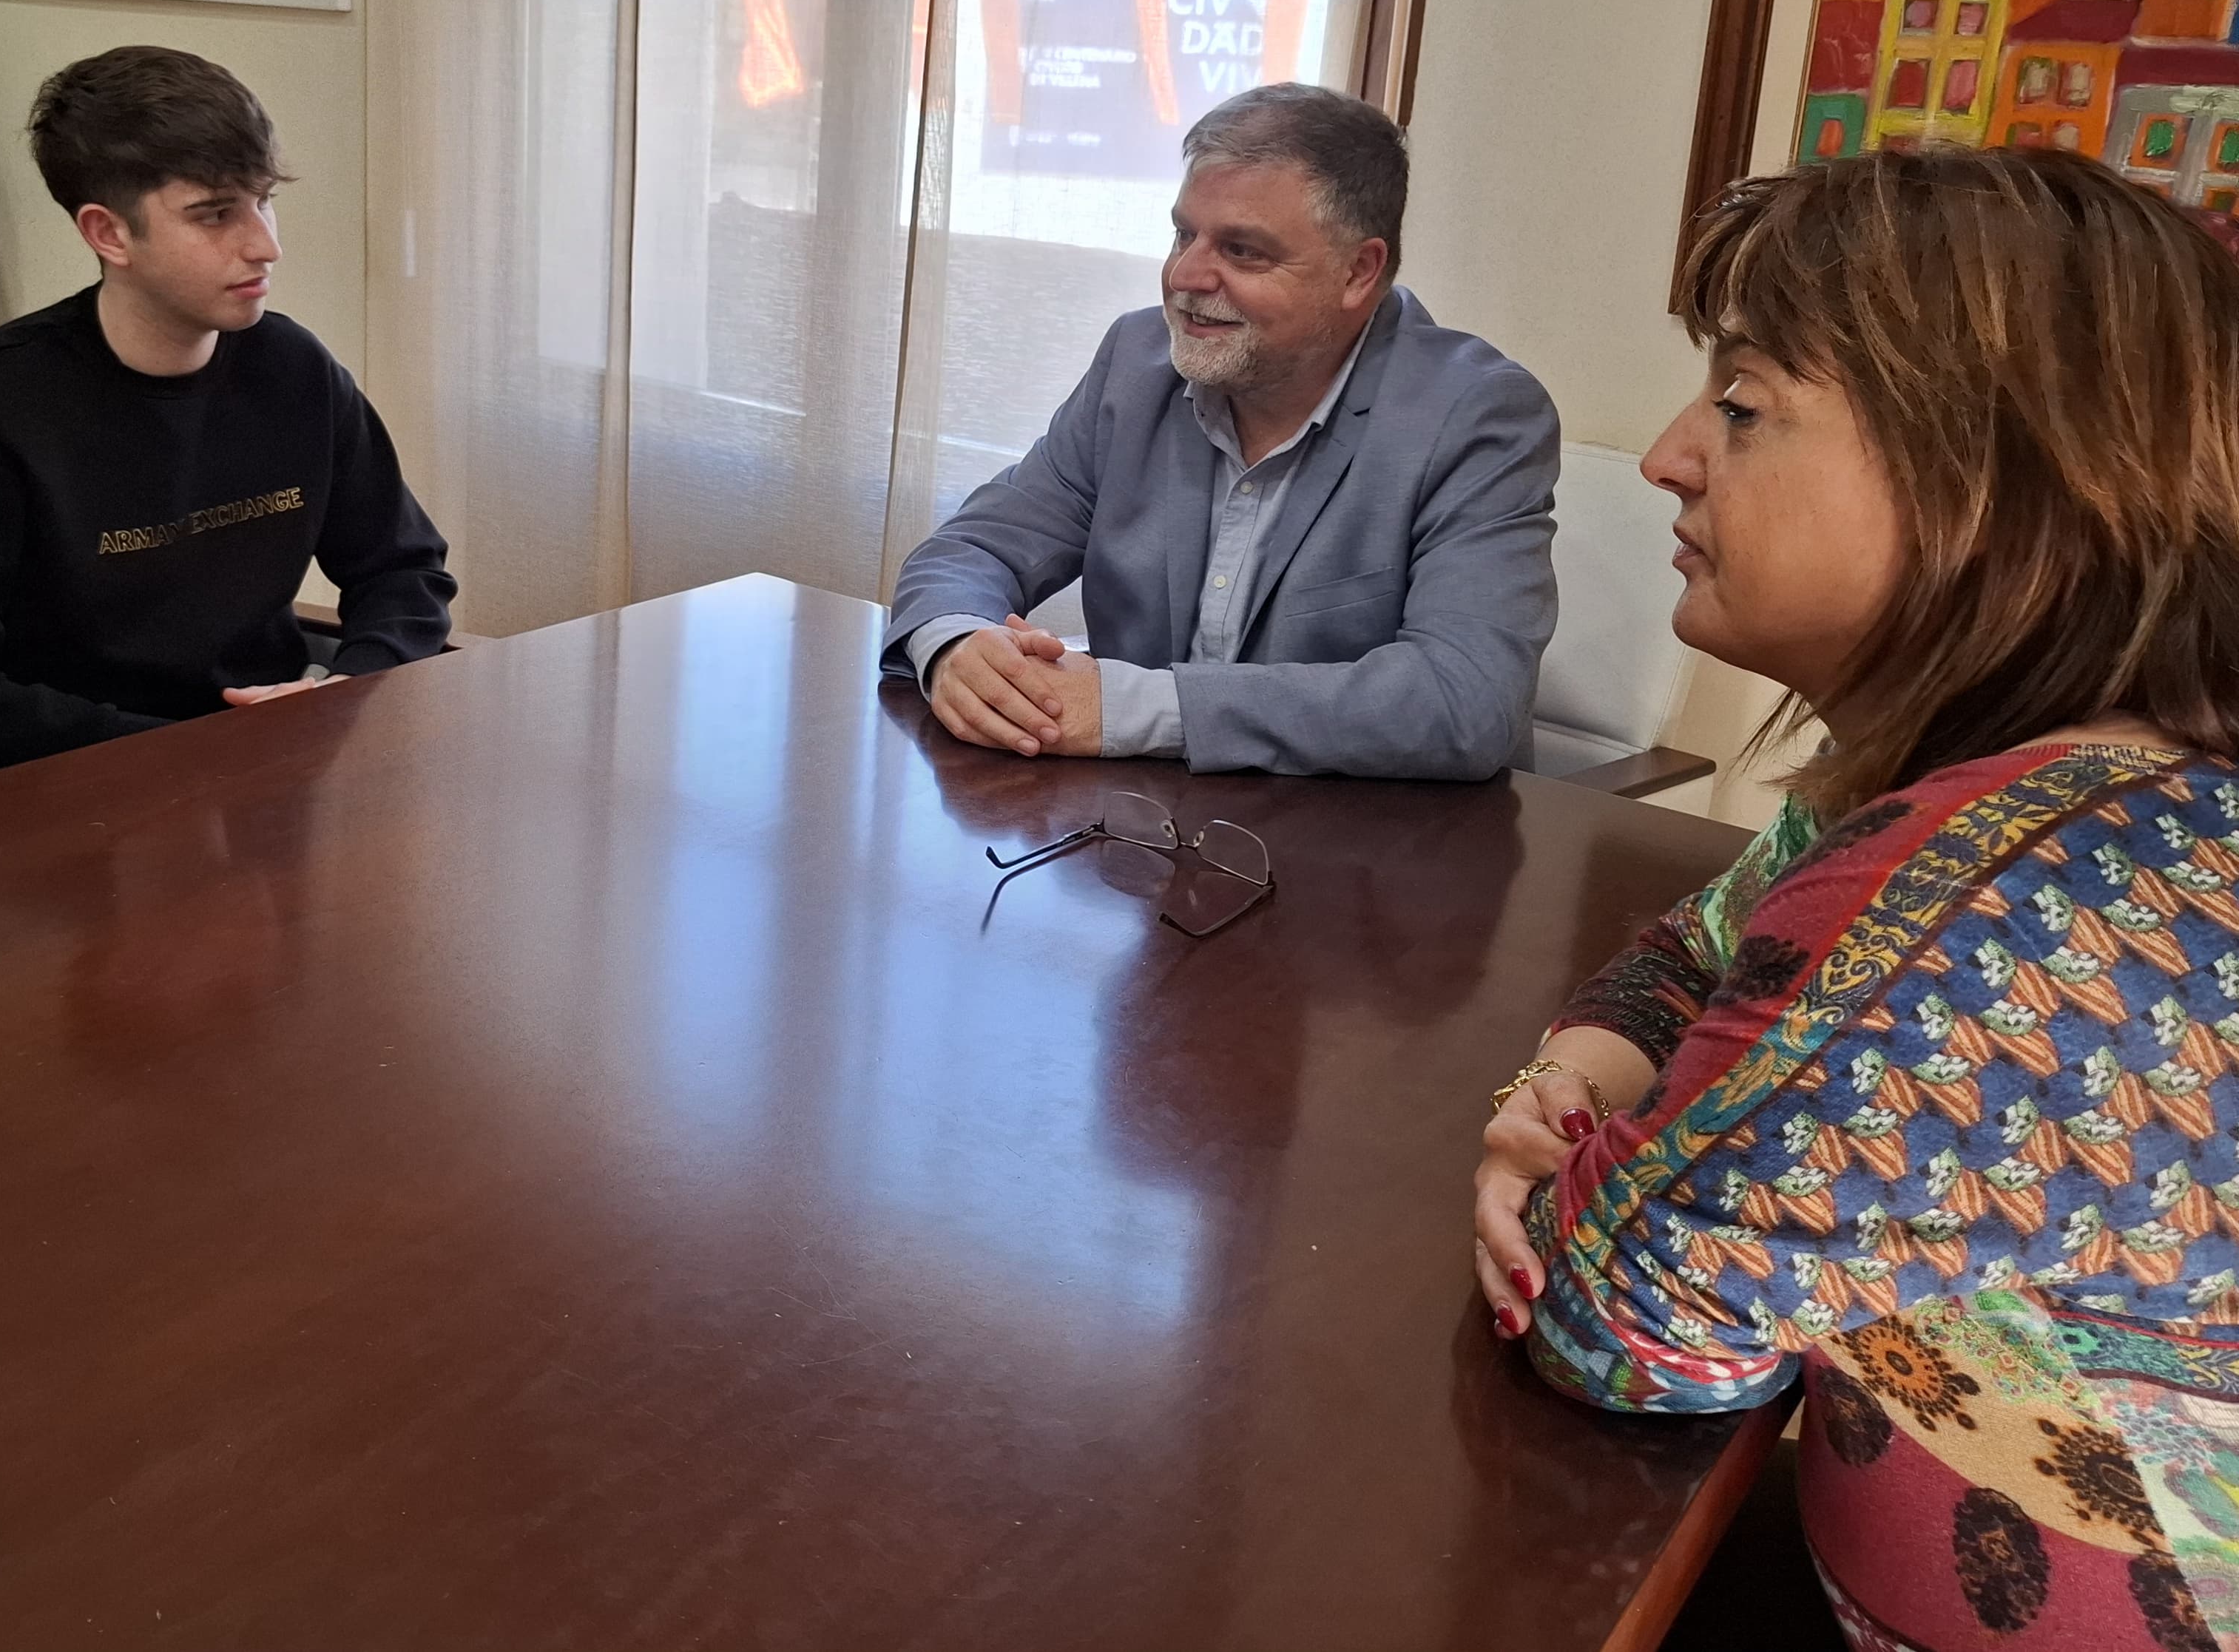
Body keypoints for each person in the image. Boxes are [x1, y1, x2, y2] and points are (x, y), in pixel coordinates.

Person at [1470, 150, 2239, 1652]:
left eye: (1743, 407)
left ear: (1992, 472)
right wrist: (1579, 1078)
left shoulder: (1995, 895)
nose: (1671, 457)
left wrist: (1564, 1162)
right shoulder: (2099, 776)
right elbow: (1707, 936)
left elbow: (1616, 1319)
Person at [882, 83, 1558, 779]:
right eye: (1184, 234)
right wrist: (959, 646)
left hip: (1372, 852)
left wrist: (1131, 706)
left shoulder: (1478, 413)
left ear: (1359, 271)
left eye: (1243, 251)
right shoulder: (1137, 364)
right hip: (1142, 838)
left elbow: (1465, 699)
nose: (1184, 275)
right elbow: (978, 544)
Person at [0, 46, 453, 773]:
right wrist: (174, 750)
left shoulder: (296, 371)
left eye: (264, 200)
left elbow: (403, 569)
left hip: (265, 775)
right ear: (108, 234)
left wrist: (342, 688)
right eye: (214, 215)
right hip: (73, 791)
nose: (266, 245)